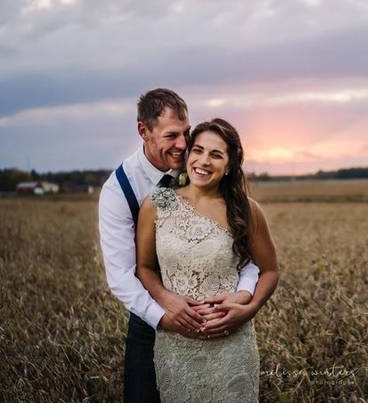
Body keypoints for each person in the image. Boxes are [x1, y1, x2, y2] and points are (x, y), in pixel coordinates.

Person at [98, 88, 261, 402]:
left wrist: (243, 298)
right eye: (172, 135)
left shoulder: (198, 166)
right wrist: (164, 313)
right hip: (151, 316)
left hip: (219, 318)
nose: (184, 145)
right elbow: (122, 274)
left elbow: (244, 252)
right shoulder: (120, 191)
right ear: (143, 131)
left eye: (186, 133)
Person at [136, 118, 279, 401]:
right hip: (177, 346)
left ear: (229, 165)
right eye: (198, 150)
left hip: (232, 346)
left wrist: (249, 309)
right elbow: (145, 267)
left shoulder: (246, 210)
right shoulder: (158, 202)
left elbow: (270, 271)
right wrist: (166, 298)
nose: (203, 161)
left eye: (216, 154)